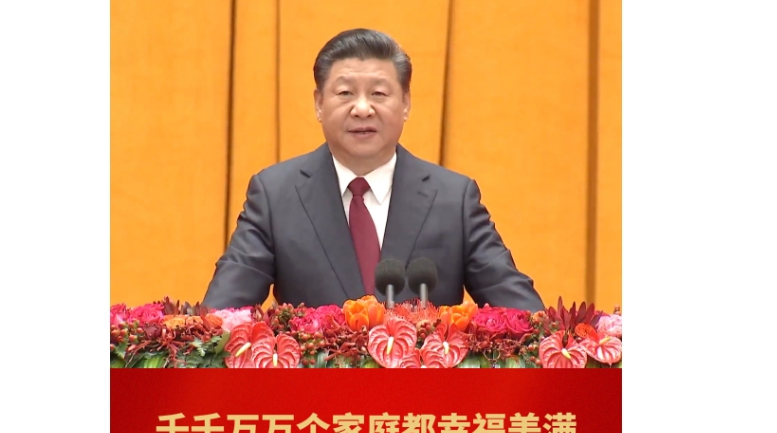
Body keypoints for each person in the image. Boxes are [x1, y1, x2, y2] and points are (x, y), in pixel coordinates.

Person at [203, 28, 543, 312]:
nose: (362, 108)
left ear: (406, 103)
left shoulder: (454, 199)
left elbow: (522, 316)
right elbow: (219, 318)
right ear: (319, 104)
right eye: (345, 93)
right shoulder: (275, 195)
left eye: (379, 93)